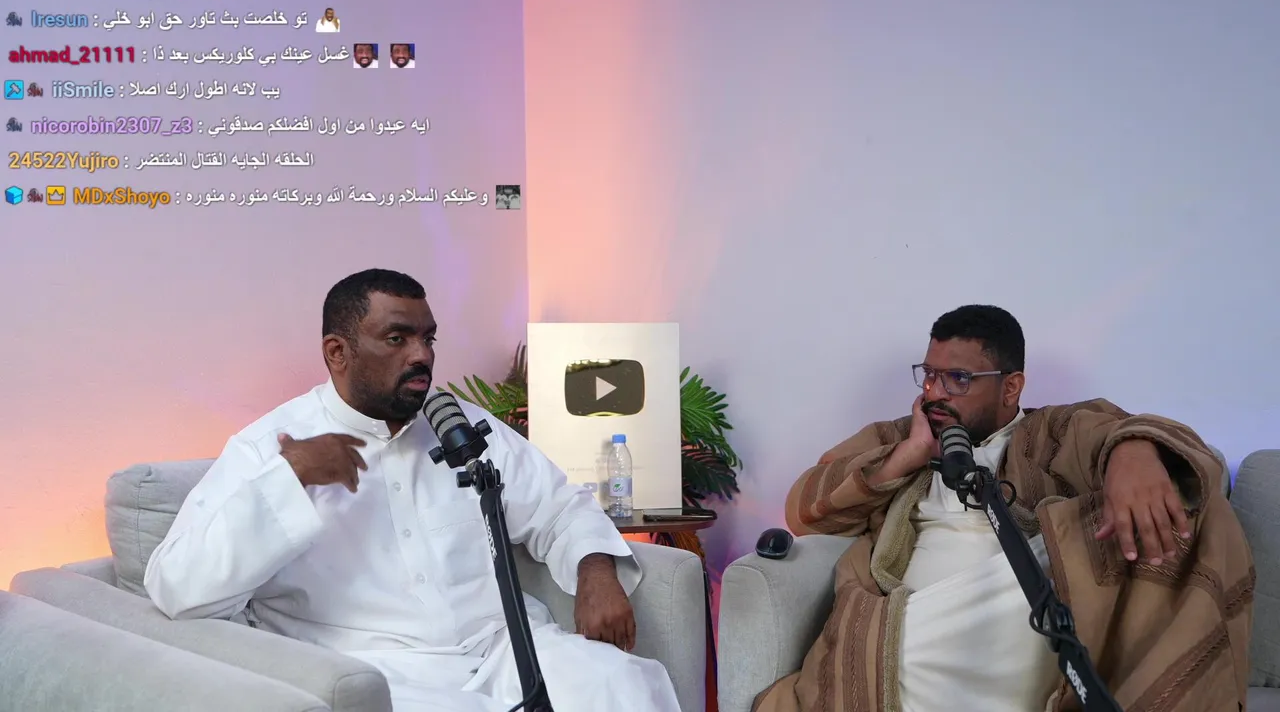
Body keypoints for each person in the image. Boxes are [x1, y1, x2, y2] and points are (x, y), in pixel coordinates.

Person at [145, 269, 681, 712]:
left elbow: (559, 506)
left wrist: (595, 571)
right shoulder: (269, 446)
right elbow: (176, 586)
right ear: (338, 352)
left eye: (428, 338)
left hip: (502, 649)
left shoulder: (458, 425)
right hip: (374, 670)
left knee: (618, 685)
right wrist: (293, 475)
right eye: (397, 339)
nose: (422, 355)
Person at [754, 305, 1253, 712]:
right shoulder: (896, 437)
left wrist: (1135, 453)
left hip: (1032, 615)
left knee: (1189, 507)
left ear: (1011, 386)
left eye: (957, 378)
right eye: (929, 375)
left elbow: (1147, 440)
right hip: (911, 625)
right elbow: (804, 508)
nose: (935, 393)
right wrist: (908, 455)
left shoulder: (1054, 430)